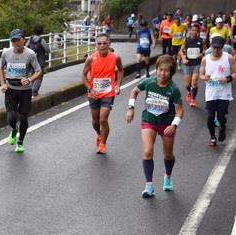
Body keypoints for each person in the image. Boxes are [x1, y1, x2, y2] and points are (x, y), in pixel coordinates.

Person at [126, 55, 183, 197]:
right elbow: (134, 91)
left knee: (168, 155)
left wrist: (174, 125)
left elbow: (180, 111)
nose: (162, 73)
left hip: (166, 124)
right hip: (149, 120)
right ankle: (149, 186)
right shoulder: (149, 82)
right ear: (156, 69)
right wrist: (131, 108)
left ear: (171, 72)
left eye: (166, 71)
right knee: (147, 151)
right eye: (160, 69)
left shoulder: (173, 89)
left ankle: (168, 176)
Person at [0, 29, 43, 153]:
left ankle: (20, 142)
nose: (16, 43)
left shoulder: (30, 54)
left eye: (18, 40)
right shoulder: (6, 53)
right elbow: (0, 68)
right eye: (13, 40)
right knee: (11, 117)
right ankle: (13, 129)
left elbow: (38, 71)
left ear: (24, 40)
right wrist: (2, 84)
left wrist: (29, 79)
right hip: (11, 89)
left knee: (23, 118)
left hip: (25, 90)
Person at [82, 33, 124, 154]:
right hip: (94, 93)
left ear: (109, 44)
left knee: (103, 119)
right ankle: (99, 134)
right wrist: (90, 89)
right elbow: (84, 75)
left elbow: (121, 70)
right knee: (95, 122)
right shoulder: (90, 59)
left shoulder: (115, 57)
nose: (102, 45)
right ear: (96, 45)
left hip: (108, 93)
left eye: (104, 43)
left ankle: (102, 144)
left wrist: (117, 84)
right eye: (99, 43)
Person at [200, 36, 236, 148]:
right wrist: (205, 77)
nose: (216, 50)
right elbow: (201, 75)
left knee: (221, 116)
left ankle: (222, 127)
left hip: (224, 93)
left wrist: (227, 79)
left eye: (218, 48)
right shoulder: (205, 59)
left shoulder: (228, 58)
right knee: (210, 116)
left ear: (223, 47)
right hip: (211, 93)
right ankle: (212, 137)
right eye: (214, 48)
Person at [179, 23, 205, 107]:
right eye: (192, 30)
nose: (194, 32)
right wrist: (183, 58)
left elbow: (205, 50)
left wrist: (201, 54)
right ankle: (189, 92)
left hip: (197, 64)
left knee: (194, 82)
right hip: (187, 64)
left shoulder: (201, 40)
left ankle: (193, 99)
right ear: (190, 31)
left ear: (198, 32)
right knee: (187, 84)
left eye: (196, 31)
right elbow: (180, 51)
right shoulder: (186, 40)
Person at [27, 24, 51, 98]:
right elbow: (48, 50)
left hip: (31, 61)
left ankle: (30, 91)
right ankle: (34, 92)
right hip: (40, 61)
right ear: (41, 31)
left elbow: (26, 47)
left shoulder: (30, 39)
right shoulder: (41, 40)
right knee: (39, 76)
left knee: (32, 74)